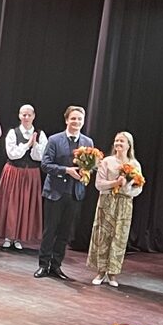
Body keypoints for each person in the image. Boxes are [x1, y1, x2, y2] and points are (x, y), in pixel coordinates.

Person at [36, 106, 95, 281]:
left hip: (75, 193)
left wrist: (86, 172)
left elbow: (92, 166)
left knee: (65, 232)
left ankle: (56, 265)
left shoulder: (88, 142)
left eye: (79, 119)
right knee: (50, 231)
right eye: (73, 118)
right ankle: (43, 265)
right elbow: (45, 165)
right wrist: (66, 170)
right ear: (67, 120)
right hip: (55, 192)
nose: (76, 122)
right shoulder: (54, 140)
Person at [87, 132, 144, 287]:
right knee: (103, 235)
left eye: (122, 141)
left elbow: (139, 187)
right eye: (116, 140)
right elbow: (99, 184)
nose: (118, 143)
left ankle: (112, 273)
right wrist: (115, 183)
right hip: (107, 201)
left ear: (129, 145)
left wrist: (127, 188)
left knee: (119, 237)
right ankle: (100, 271)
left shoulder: (135, 164)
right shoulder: (107, 161)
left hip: (125, 203)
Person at [0, 104, 46, 251]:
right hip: (14, 171)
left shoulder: (40, 134)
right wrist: (27, 145)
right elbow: (12, 154)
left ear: (34, 116)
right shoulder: (13, 133)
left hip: (31, 174)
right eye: (23, 114)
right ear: (19, 116)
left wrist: (35, 145)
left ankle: (19, 237)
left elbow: (41, 157)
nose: (26, 117)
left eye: (29, 115)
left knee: (26, 204)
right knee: (11, 204)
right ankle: (8, 236)